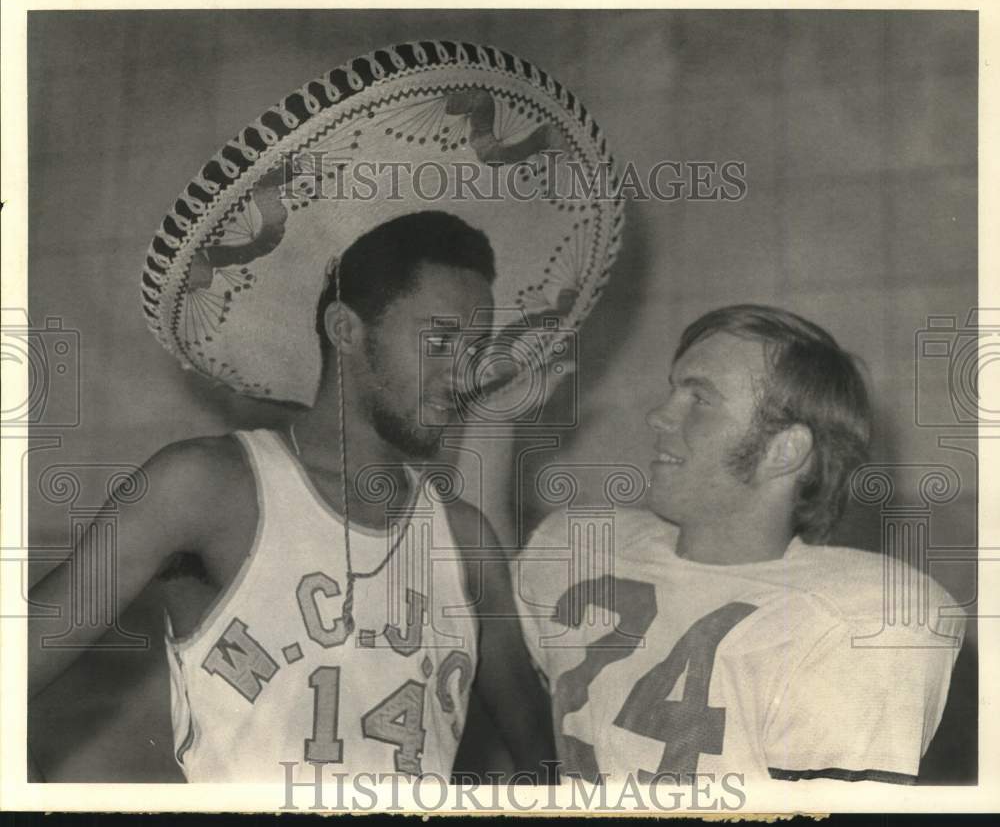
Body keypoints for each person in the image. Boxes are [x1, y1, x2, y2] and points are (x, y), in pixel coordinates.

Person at [28, 211, 555, 782]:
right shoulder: (206, 486)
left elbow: (550, 763)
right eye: (441, 340)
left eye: (476, 348)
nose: (464, 372)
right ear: (345, 329)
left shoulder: (465, 538)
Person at [514, 304, 965, 785]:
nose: (659, 416)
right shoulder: (581, 544)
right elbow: (469, 586)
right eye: (674, 390)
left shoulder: (861, 618)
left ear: (783, 451)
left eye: (700, 400)